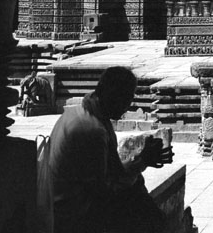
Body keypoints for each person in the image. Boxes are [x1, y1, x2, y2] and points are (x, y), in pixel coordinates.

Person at [48, 66, 172, 233]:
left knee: (138, 186)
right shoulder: (92, 130)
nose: (128, 106)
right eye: (127, 99)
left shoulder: (82, 111)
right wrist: (142, 162)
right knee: (145, 210)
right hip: (72, 213)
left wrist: (140, 159)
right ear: (114, 96)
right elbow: (104, 193)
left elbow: (110, 174)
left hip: (66, 201)